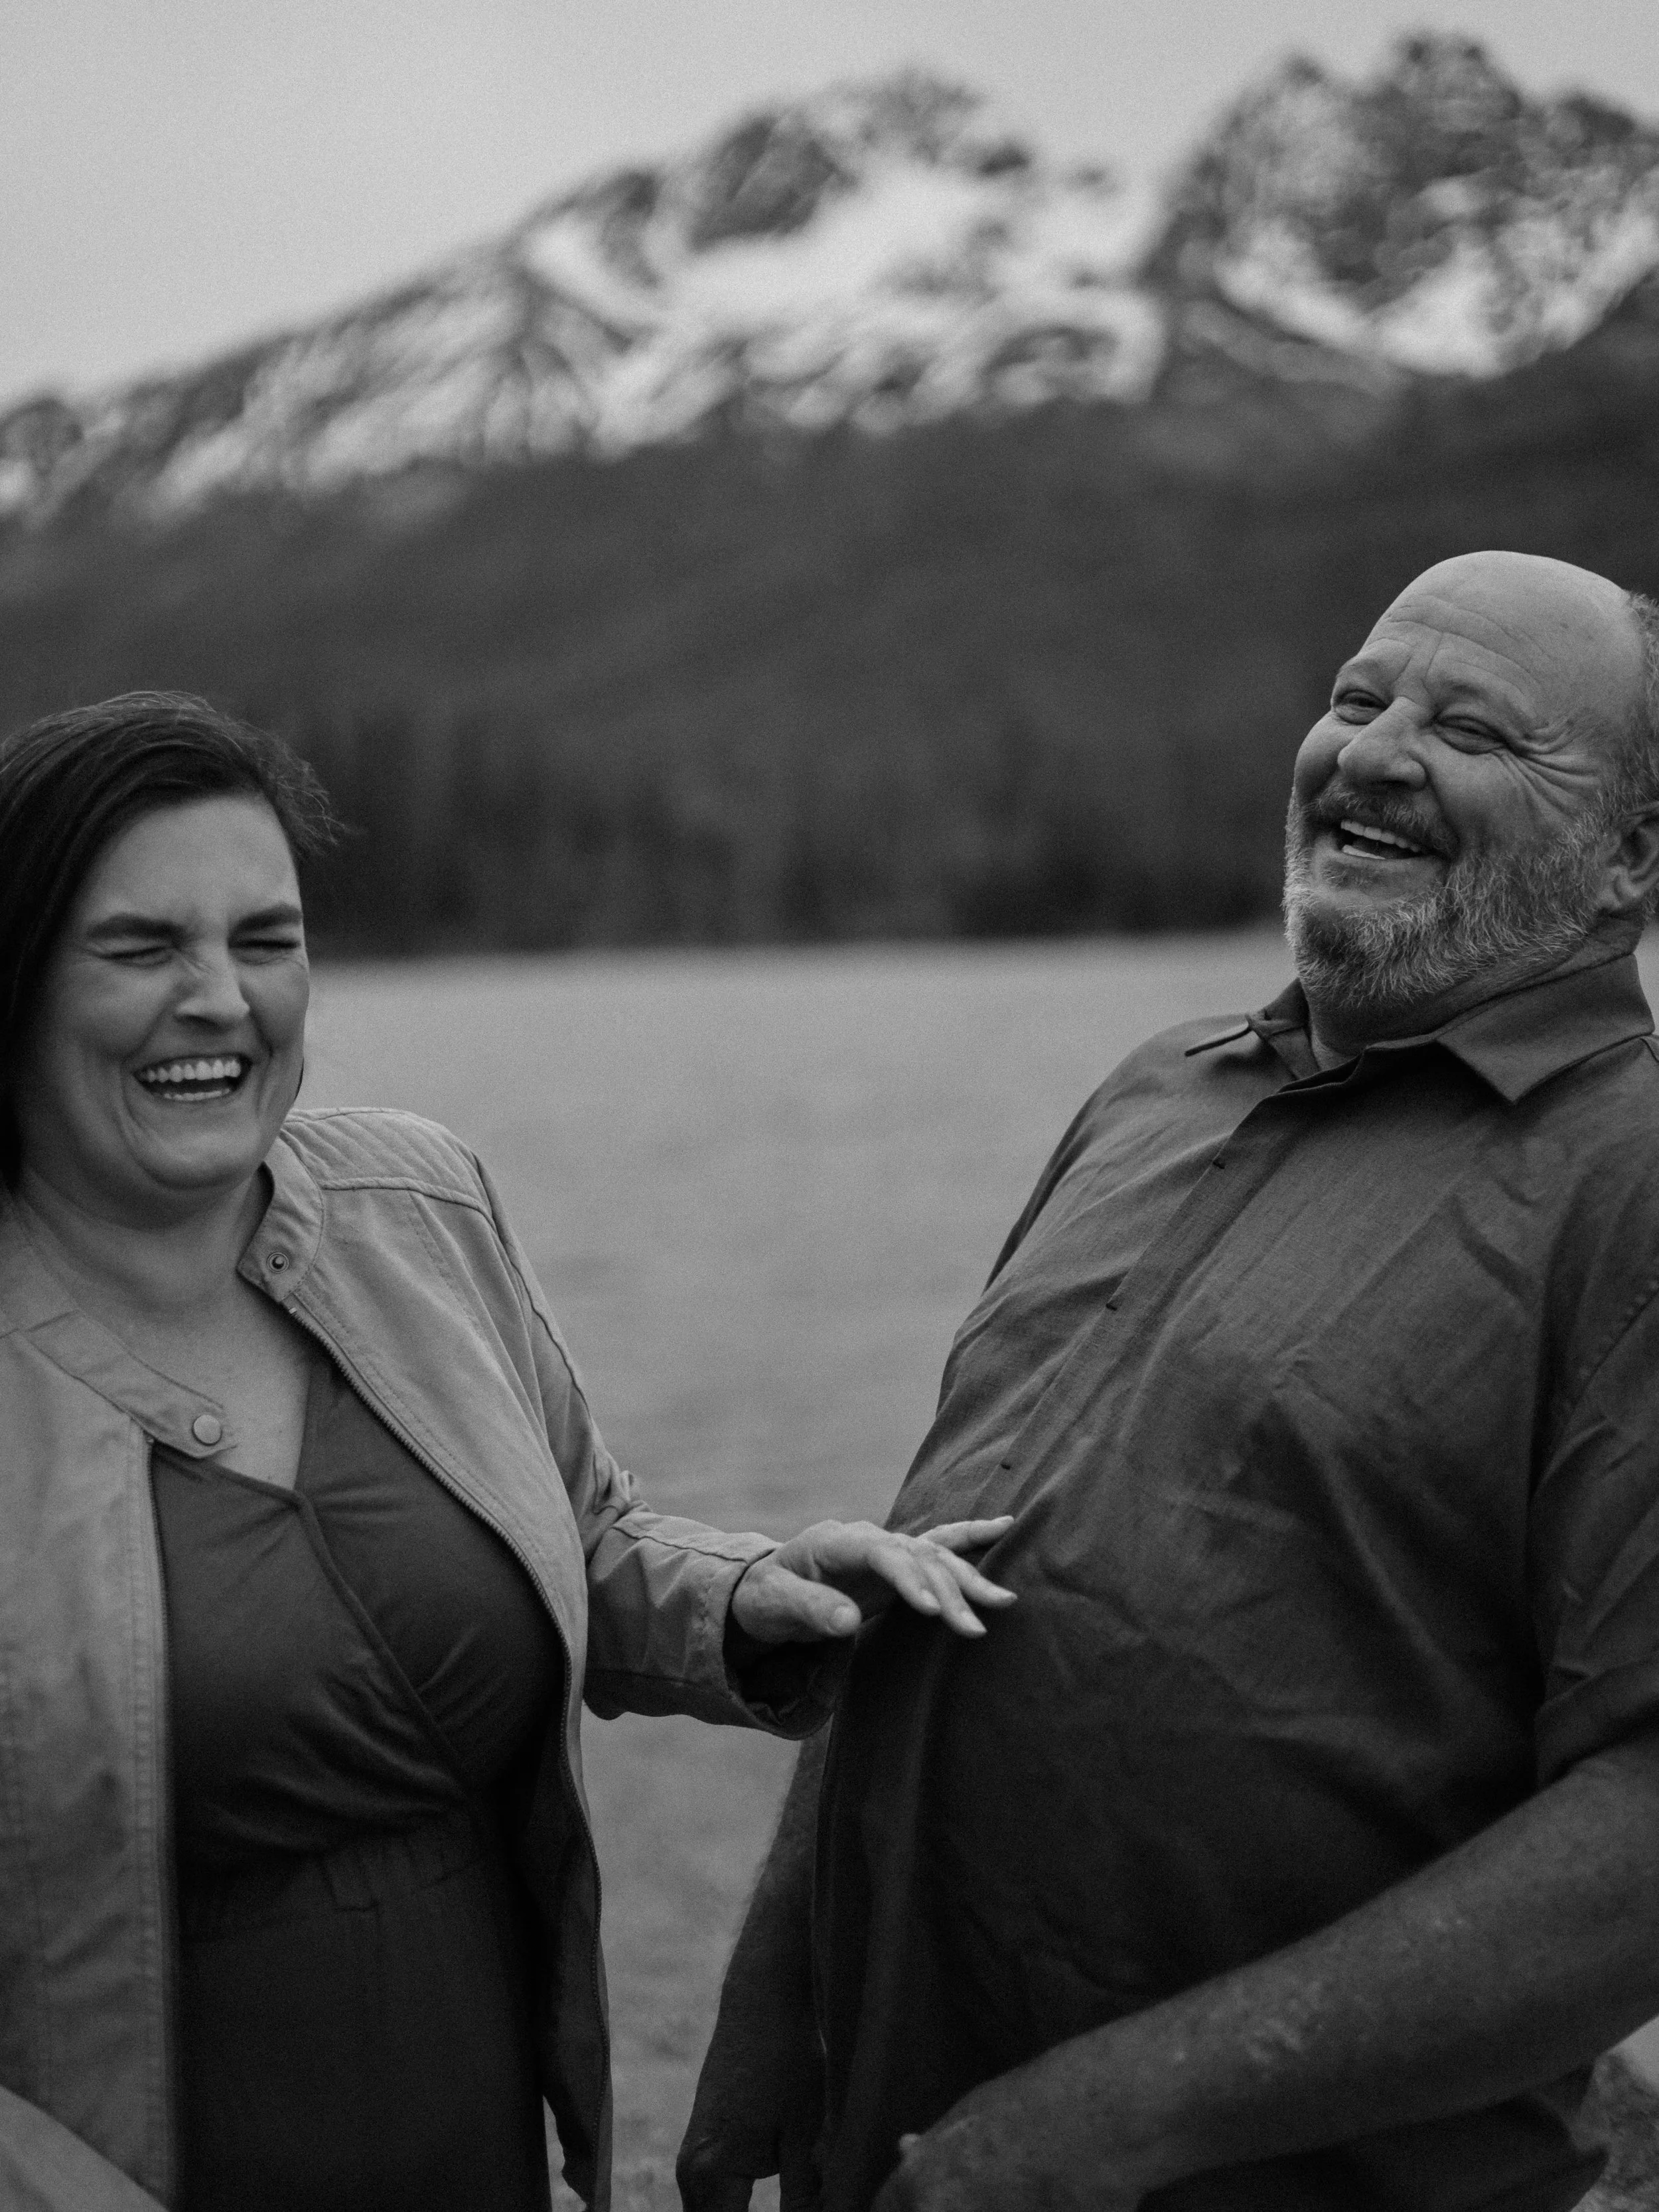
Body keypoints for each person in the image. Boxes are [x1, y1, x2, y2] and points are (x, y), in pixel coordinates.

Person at [679, 550, 1659, 2212]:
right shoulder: (1155, 1091)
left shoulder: (1625, 1185)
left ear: (1631, 848)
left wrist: (1106, 2119)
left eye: (1471, 730)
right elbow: (937, 1563)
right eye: (1357, 697)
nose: (1371, 752)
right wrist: (779, 1979)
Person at [0, 691, 1015, 2212]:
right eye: (140, 948)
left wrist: (748, 1594)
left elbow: (577, 1530)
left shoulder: (420, 1207)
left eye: (266, 939)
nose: (219, 997)